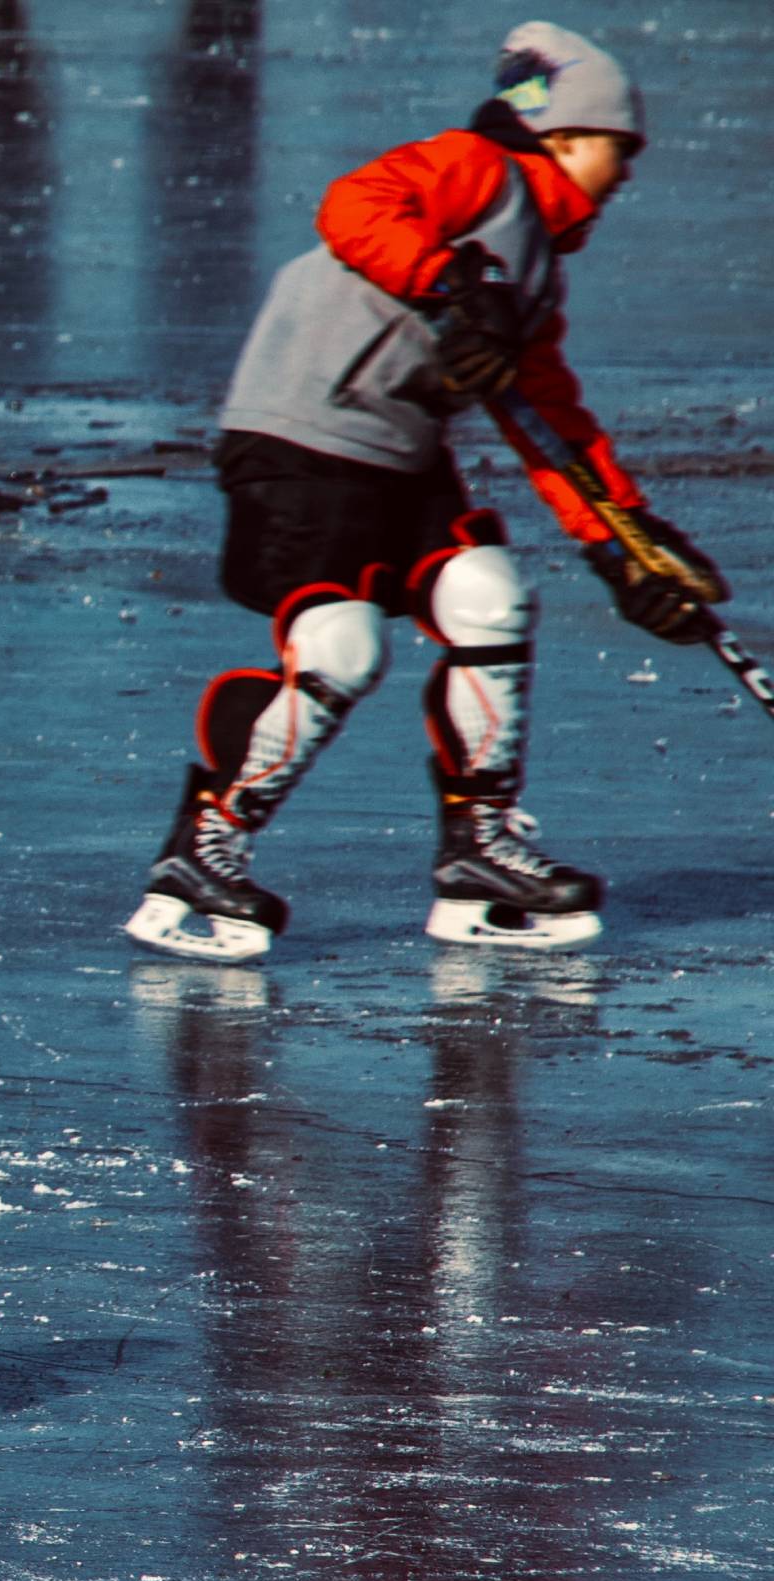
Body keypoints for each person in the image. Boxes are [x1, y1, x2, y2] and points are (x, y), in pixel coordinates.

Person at [126, 21, 727, 962]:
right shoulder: (477, 168)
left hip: (400, 451)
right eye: (622, 148)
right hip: (300, 430)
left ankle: (476, 853)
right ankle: (205, 848)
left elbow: (546, 417)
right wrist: (451, 281)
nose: (628, 172)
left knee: (489, 592)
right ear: (566, 136)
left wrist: (624, 541)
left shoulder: (535, 266)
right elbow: (354, 205)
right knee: (341, 644)